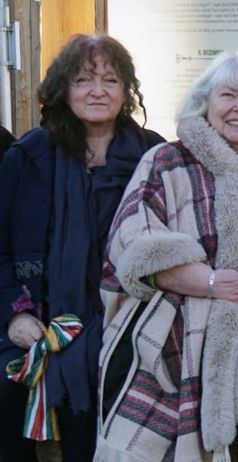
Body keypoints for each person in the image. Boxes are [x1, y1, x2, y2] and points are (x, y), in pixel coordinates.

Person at [96, 51, 238, 462]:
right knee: (168, 371)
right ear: (206, 102)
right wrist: (214, 283)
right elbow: (134, 243)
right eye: (228, 95)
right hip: (183, 313)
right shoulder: (165, 160)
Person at [0, 34, 164, 461]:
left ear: (126, 90)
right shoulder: (27, 157)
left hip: (130, 316)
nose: (98, 91)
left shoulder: (154, 155)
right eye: (83, 80)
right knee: (5, 387)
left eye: (110, 80)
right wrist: (14, 314)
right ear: (62, 88)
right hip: (40, 315)